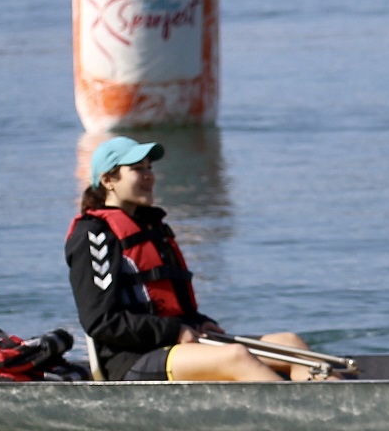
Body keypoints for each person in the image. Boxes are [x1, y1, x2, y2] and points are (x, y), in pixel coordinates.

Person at [66, 135, 323, 382]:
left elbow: (172, 307)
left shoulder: (152, 228)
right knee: (235, 357)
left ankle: (337, 403)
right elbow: (101, 322)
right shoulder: (94, 234)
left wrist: (198, 322)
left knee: (291, 345)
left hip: (175, 348)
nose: (148, 175)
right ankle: (308, 420)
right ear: (109, 179)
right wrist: (173, 331)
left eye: (149, 167)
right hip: (131, 359)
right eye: (136, 168)